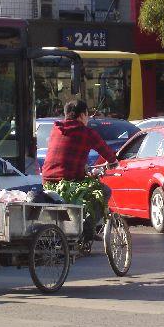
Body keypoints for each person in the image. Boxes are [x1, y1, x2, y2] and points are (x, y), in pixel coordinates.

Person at [41, 100, 118, 240]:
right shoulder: (86, 132)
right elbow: (106, 151)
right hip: (69, 180)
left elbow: (66, 154)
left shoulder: (56, 129)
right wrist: (113, 161)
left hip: (47, 180)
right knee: (104, 191)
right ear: (82, 115)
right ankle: (87, 228)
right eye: (87, 115)